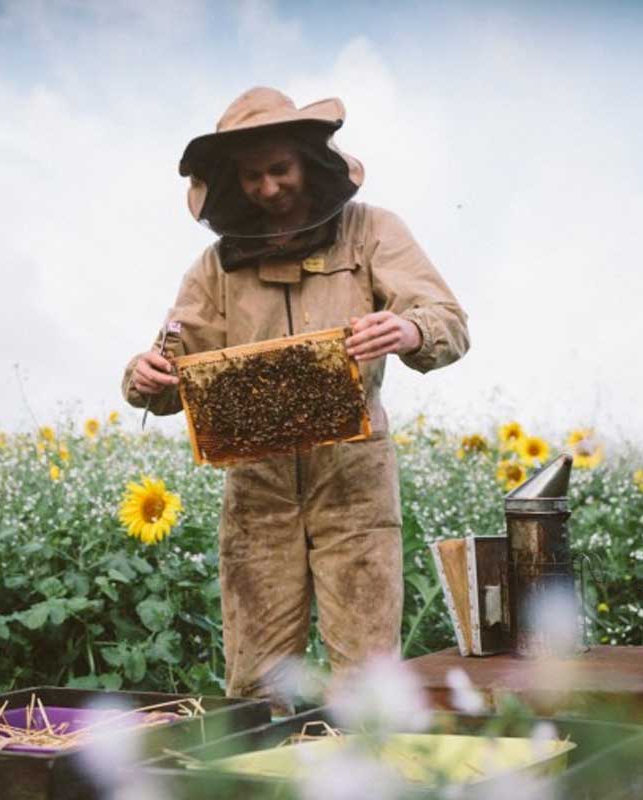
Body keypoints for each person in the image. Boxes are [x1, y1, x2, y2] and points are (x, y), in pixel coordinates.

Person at [121, 87, 469, 711]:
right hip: (257, 489)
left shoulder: (371, 232)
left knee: (367, 684)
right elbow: (170, 362)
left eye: (279, 168)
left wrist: (409, 330)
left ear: (308, 161)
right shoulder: (214, 268)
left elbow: (447, 319)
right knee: (256, 688)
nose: (268, 187)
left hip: (353, 481)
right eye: (251, 176)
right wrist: (143, 377)